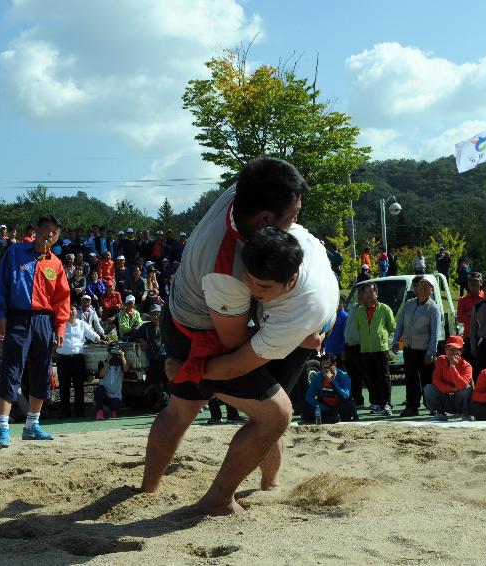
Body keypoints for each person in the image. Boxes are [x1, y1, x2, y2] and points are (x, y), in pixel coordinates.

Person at [142, 157, 328, 515]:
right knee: (274, 414)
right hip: (198, 331)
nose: (297, 222)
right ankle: (218, 500)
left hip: (184, 309)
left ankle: (148, 489)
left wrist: (289, 335)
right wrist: (190, 370)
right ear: (265, 220)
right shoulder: (228, 270)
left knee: (183, 408)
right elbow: (232, 343)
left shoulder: (241, 193)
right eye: (292, 216)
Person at [0, 214, 70, 448]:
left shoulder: (55, 263)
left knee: (42, 371)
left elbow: (62, 298)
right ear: (36, 230)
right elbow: (2, 283)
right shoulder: (15, 253)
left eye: (55, 232)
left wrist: (60, 326)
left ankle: (32, 426)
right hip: (18, 317)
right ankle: (3, 428)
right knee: (12, 369)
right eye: (47, 229)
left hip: (44, 321)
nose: (50, 235)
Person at [391, 275, 440, 417]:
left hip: (425, 351)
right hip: (409, 349)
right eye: (420, 286)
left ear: (431, 290)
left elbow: (435, 333)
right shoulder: (409, 304)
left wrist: (431, 352)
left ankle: (432, 407)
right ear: (416, 289)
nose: (423, 288)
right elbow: (400, 324)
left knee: (428, 380)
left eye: (426, 286)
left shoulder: (433, 308)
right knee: (411, 379)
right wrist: (395, 341)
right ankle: (412, 406)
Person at [354, 282, 395, 415]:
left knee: (384, 377)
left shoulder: (384, 309)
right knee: (370, 378)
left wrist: (381, 337)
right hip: (366, 350)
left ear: (377, 294)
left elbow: (391, 327)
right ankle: (375, 403)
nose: (368, 295)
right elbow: (358, 328)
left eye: (371, 292)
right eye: (366, 293)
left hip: (381, 349)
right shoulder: (359, 311)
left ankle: (387, 403)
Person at [56, 305, 101, 418]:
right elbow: (53, 338)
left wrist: (99, 339)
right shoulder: (60, 324)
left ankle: (79, 412)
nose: (71, 312)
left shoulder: (82, 324)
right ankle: (65, 412)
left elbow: (92, 334)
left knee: (79, 387)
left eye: (73, 309)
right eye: (68, 309)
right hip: (63, 359)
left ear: (77, 311)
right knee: (64, 387)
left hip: (78, 359)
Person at [424, 335, 473, 421]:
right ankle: (440, 413)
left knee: (467, 389)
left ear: (461, 351)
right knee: (428, 388)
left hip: (459, 401)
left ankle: (465, 414)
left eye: (455, 348)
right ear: (445, 349)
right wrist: (452, 389)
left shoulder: (467, 366)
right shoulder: (440, 360)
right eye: (448, 348)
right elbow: (436, 381)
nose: (451, 351)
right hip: (446, 399)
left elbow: (462, 386)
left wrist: (452, 366)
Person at [301, 354, 357, 423]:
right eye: (322, 367)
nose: (325, 369)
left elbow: (345, 396)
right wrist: (323, 407)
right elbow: (309, 397)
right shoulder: (318, 376)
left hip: (341, 405)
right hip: (325, 406)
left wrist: (332, 381)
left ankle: (332, 417)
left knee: (346, 403)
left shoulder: (344, 377)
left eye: (327, 366)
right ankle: (330, 417)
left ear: (334, 365)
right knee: (306, 409)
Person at [138, 303, 168, 408]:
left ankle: (173, 407)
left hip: (167, 361)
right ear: (150, 316)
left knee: (170, 384)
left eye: (158, 314)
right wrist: (140, 339)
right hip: (153, 362)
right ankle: (165, 405)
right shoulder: (145, 328)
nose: (156, 316)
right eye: (153, 314)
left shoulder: (167, 325)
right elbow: (133, 335)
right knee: (158, 385)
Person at [457, 271, 484, 369]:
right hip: (468, 337)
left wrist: (468, 313)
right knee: (470, 368)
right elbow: (460, 318)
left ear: (481, 283)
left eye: (475, 281)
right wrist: (474, 312)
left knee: (484, 367)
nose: (472, 283)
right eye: (469, 281)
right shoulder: (463, 300)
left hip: (484, 337)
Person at [96, 345, 127, 420]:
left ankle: (113, 411)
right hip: (104, 394)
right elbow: (101, 375)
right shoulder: (102, 363)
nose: (113, 354)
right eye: (111, 352)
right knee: (99, 389)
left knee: (115, 404)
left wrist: (122, 357)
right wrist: (109, 362)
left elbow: (126, 369)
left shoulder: (120, 364)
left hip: (115, 396)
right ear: (108, 352)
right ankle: (99, 411)